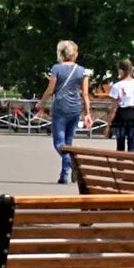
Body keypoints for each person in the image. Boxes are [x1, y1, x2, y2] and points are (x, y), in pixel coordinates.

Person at [41, 40, 89, 184]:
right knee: (68, 142)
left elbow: (50, 89)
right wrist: (87, 114)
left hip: (60, 107)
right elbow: (85, 94)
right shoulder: (83, 71)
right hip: (75, 108)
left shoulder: (56, 68)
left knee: (59, 142)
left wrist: (41, 102)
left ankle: (71, 163)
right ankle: (64, 175)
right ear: (74, 54)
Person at [107, 58, 134, 153]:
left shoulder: (117, 86)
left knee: (120, 146)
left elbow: (114, 107)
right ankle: (132, 165)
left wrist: (108, 125)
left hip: (121, 114)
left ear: (121, 70)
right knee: (132, 145)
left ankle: (120, 166)